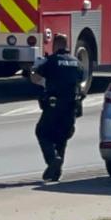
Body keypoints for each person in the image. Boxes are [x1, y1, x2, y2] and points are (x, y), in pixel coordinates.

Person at [32, 34, 87, 182]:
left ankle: (53, 159)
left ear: (55, 45)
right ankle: (56, 173)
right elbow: (82, 80)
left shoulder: (51, 61)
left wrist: (35, 69)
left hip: (54, 105)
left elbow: (35, 77)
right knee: (62, 138)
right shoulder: (77, 63)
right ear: (66, 44)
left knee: (42, 132)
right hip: (71, 107)